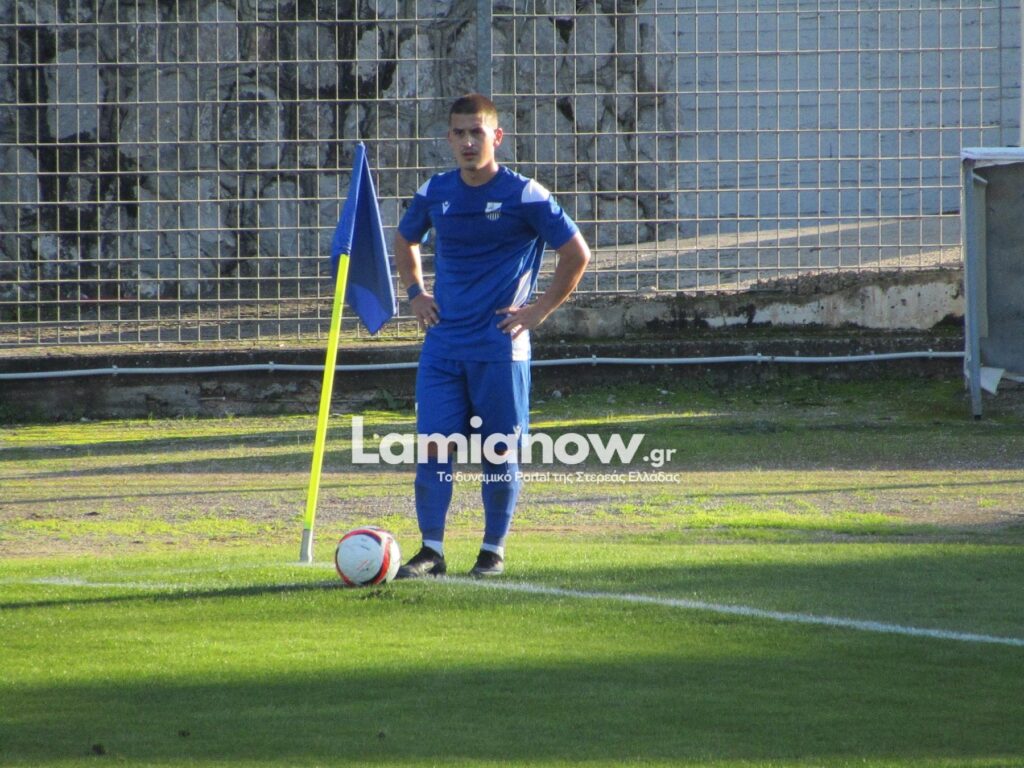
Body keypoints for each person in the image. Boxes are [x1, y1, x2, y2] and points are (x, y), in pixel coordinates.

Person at [392, 93, 591, 578]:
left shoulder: (525, 194)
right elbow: (404, 238)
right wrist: (416, 293)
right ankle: (431, 551)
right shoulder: (435, 191)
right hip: (443, 348)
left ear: (496, 137)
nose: (467, 142)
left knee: (498, 452)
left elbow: (577, 253)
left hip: (501, 348)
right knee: (434, 449)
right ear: (448, 138)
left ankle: (492, 551)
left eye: (476, 132)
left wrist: (540, 310)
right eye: (459, 133)